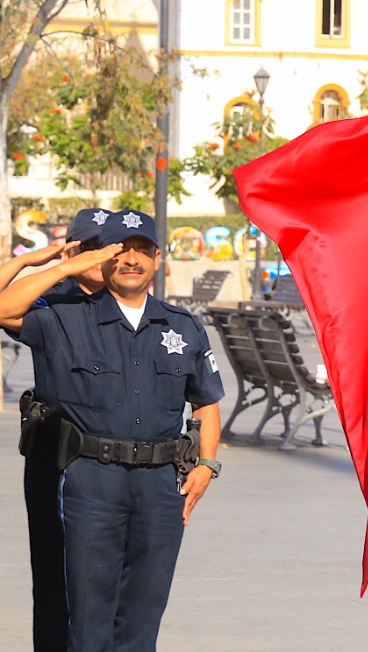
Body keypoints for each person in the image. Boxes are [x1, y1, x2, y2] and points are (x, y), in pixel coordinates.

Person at [0, 209, 226, 651]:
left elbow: (207, 399)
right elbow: (4, 308)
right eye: (120, 251)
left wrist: (206, 463)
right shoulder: (65, 316)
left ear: (157, 259)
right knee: (87, 613)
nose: (131, 260)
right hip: (91, 480)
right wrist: (59, 264)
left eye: (141, 251)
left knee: (145, 611)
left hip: (161, 484)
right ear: (102, 261)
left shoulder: (181, 325)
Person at [0, 208, 113, 652]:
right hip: (56, 456)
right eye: (92, 249)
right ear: (77, 250)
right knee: (52, 574)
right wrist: (35, 262)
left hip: (112, 462)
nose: (102, 259)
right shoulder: (53, 297)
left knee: (105, 581)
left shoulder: (127, 299)